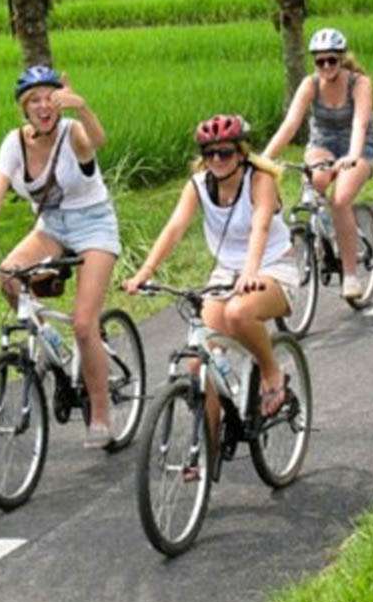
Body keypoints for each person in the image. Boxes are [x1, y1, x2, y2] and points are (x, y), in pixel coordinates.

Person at [0, 65, 120, 449]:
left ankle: (100, 416)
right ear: (24, 109)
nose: (43, 106)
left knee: (83, 324)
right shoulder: (13, 143)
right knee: (8, 276)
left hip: (94, 224)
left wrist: (82, 107)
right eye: (34, 101)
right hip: (51, 226)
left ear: (59, 102)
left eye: (50, 97)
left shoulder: (72, 131)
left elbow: (98, 140)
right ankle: (48, 344)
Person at [122, 115, 298, 427]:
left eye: (225, 152)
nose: (216, 160)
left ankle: (271, 371)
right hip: (227, 272)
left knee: (238, 314)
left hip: (271, 266)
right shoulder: (199, 185)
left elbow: (260, 227)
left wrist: (251, 271)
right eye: (209, 153)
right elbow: (175, 227)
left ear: (241, 152)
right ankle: (206, 452)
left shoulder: (260, 180)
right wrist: (144, 272)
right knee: (196, 363)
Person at [263, 27, 373, 300]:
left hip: (357, 147)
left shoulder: (359, 83)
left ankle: (350, 275)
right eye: (320, 61)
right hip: (322, 144)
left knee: (340, 200)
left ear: (341, 58)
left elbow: (360, 122)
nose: (326, 66)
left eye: (332, 60)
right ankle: (322, 228)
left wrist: (351, 156)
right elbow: (290, 125)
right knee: (315, 181)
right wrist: (264, 159)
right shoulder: (310, 85)